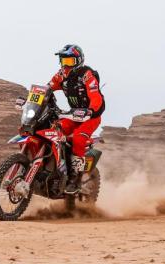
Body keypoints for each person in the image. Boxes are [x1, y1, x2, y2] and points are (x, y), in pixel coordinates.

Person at [48, 44, 105, 191]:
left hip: (91, 117)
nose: (65, 65)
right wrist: (32, 98)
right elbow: (47, 88)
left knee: (79, 138)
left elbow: (96, 97)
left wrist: (91, 111)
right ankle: (55, 167)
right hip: (74, 114)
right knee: (54, 130)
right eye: (63, 61)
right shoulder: (61, 75)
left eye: (69, 62)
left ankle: (75, 177)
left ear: (78, 61)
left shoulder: (87, 75)